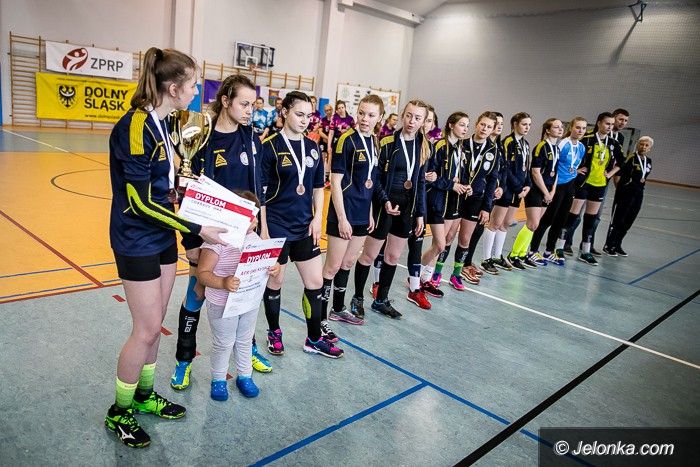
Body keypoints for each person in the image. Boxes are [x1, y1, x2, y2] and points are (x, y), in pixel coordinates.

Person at [105, 47, 226, 448]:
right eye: (192, 85)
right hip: (135, 237)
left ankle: (144, 395)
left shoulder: (166, 123)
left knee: (155, 325)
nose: (195, 91)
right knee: (143, 330)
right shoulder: (135, 127)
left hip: (161, 235)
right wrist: (198, 229)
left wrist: (193, 217)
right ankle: (119, 411)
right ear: (173, 88)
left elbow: (167, 188)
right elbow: (139, 203)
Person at [170, 74, 272, 393]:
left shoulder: (252, 140)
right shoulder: (200, 137)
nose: (249, 111)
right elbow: (185, 191)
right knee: (197, 293)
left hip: (244, 235)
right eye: (244, 104)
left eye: (253, 105)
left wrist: (262, 235)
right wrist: (190, 240)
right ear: (225, 101)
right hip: (207, 235)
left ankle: (247, 349)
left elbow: (258, 193)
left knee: (245, 293)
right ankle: (184, 361)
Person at [260, 91, 344, 358]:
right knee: (276, 281)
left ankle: (314, 338)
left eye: (308, 115)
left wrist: (318, 218)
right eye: (299, 114)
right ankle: (274, 332)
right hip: (276, 225)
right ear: (285, 112)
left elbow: (319, 187)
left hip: (304, 226)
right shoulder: (270, 147)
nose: (305, 120)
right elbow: (261, 194)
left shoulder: (313, 147)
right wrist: (264, 230)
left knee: (315, 282)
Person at [198, 191, 281, 402]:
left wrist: (274, 268)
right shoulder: (216, 242)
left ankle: (245, 376)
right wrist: (223, 282)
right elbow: (203, 273)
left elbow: (266, 265)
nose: (255, 221)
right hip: (221, 303)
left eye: (255, 216)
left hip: (248, 301)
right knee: (224, 343)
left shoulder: (254, 238)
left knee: (245, 340)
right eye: (250, 216)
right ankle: (218, 379)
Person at [351, 100, 430, 319]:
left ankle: (381, 300)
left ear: (424, 121)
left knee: (393, 256)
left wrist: (420, 213)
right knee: (369, 255)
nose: (412, 121)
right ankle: (358, 298)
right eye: (409, 115)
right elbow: (375, 178)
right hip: (383, 206)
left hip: (406, 209)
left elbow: (421, 183)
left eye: (417, 118)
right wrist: (385, 201)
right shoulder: (386, 142)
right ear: (402, 115)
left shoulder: (425, 146)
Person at [320, 94, 385, 329]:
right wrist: (342, 219)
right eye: (361, 113)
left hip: (361, 213)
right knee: (332, 267)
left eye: (371, 115)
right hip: (344, 213)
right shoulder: (346, 140)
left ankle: (338, 309)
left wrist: (369, 211)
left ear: (380, 117)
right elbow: (336, 183)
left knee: (348, 263)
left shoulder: (375, 142)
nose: (365, 119)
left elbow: (369, 181)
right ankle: (320, 317)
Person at [556, 112, 621, 265]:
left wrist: (610, 173)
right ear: (599, 123)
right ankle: (559, 247)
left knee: (591, 220)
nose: (610, 127)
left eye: (612, 124)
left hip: (599, 185)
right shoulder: (587, 139)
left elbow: (622, 162)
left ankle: (585, 251)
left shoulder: (614, 143)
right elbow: (573, 156)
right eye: (607, 123)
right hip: (583, 184)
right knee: (572, 217)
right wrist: (576, 170)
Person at [418, 111, 470, 291]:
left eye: (467, 126)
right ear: (450, 125)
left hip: (452, 201)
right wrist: (451, 184)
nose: (465, 129)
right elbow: (430, 177)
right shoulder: (440, 146)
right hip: (437, 202)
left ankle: (425, 278)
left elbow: (459, 174)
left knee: (441, 245)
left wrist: (465, 185)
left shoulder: (460, 148)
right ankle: (417, 277)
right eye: (462, 125)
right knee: (439, 244)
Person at [447, 111, 498, 289]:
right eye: (482, 124)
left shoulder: (493, 151)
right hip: (457, 196)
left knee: (465, 239)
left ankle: (456, 274)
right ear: (476, 124)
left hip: (476, 199)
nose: (484, 129)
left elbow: (492, 180)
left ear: (492, 130)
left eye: (489, 127)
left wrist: (487, 207)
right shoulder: (462, 144)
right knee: (448, 237)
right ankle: (435, 274)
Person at [528, 116, 588, 265]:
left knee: (561, 220)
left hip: (570, 186)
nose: (581, 131)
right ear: (571, 128)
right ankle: (533, 250)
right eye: (578, 127)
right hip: (557, 185)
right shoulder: (563, 144)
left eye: (584, 128)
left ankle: (549, 251)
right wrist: (550, 188)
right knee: (547, 219)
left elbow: (573, 164)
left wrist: (575, 171)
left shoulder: (581, 147)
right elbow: (553, 164)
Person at [508, 118, 564, 267]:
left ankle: (522, 254)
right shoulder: (541, 147)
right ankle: (513, 255)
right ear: (547, 130)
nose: (560, 129)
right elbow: (535, 172)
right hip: (536, 190)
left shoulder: (557, 149)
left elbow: (556, 172)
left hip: (548, 191)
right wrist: (545, 192)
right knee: (532, 223)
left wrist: (553, 191)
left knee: (535, 225)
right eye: (556, 127)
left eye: (561, 127)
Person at [482, 112, 532, 271]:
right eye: (524, 124)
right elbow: (507, 169)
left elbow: (526, 168)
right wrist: (517, 188)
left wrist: (528, 185)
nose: (527, 127)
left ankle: (497, 256)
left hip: (519, 191)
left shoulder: (525, 144)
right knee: (495, 223)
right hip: (508, 189)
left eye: (529, 125)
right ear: (515, 124)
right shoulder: (508, 142)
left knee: (506, 223)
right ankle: (486, 258)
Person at [604, 136, 653, 256]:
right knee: (618, 219)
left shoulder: (649, 161)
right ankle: (609, 245)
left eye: (646, 145)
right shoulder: (630, 158)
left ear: (650, 148)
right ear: (637, 144)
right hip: (626, 193)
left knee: (629, 220)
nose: (643, 147)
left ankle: (617, 244)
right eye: (641, 144)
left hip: (639, 193)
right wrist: (621, 189)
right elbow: (618, 174)